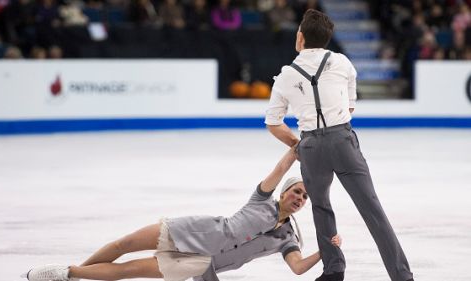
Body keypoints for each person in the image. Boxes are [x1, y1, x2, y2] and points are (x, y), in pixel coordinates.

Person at [23, 146, 341, 281]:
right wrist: (297, 147)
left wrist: (326, 250)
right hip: (193, 230)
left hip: (199, 262)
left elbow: (298, 268)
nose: (300, 197)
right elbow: (281, 167)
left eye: (304, 196)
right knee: (123, 245)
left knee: (128, 271)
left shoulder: (288, 237)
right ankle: (82, 270)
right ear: (285, 192)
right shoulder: (262, 200)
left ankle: (68, 273)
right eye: (296, 191)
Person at [264, 9, 414, 281]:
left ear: (300, 38)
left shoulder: (286, 75)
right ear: (327, 39)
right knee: (372, 210)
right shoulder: (342, 62)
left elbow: (273, 122)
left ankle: (333, 270)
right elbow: (350, 105)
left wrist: (298, 145)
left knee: (321, 207)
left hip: (311, 146)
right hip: (343, 141)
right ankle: (402, 276)